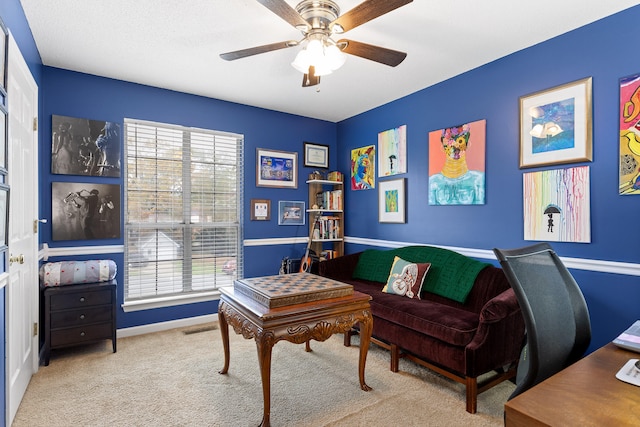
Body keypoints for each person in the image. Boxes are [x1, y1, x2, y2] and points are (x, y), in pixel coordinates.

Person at [429, 124, 484, 205]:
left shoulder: (478, 179)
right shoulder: (433, 181)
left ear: (467, 144)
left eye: (460, 141)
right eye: (450, 143)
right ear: (443, 147)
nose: (455, 147)